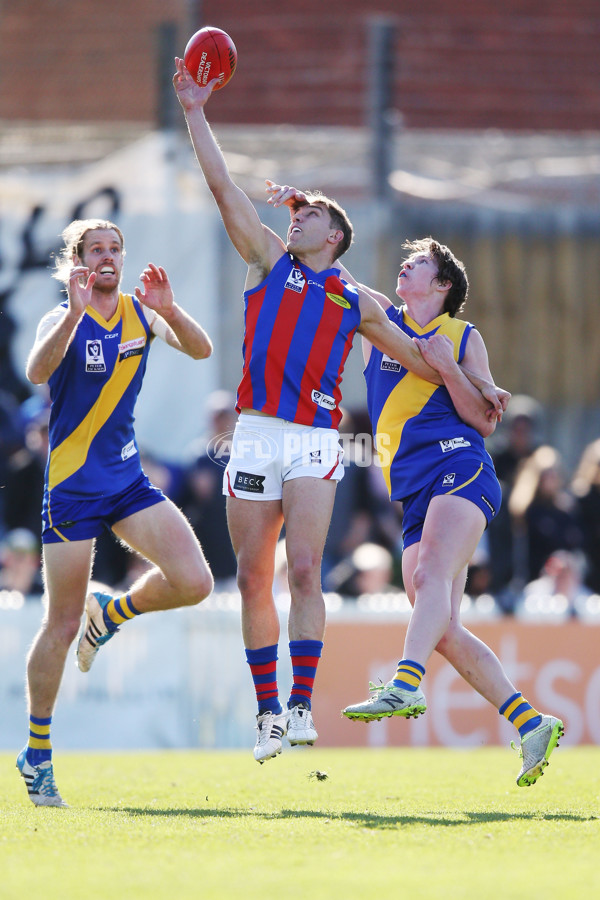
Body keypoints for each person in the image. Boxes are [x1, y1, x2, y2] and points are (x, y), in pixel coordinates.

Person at [172, 62, 508, 764]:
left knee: (304, 570)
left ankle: (300, 706)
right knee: (254, 574)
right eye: (294, 213)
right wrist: (195, 110)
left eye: (310, 215)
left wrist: (477, 386)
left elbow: (421, 356)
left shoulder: (355, 301)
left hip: (316, 438)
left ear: (335, 236)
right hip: (257, 430)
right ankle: (267, 713)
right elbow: (221, 186)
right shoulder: (268, 259)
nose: (293, 219)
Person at [336, 237, 564, 787]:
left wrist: (450, 367)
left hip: (458, 464)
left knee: (426, 575)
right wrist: (305, 215)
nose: (404, 265)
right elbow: (330, 270)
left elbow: (485, 422)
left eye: (418, 263)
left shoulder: (463, 335)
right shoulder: (381, 320)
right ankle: (531, 723)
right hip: (414, 490)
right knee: (438, 623)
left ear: (442, 286)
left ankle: (405, 683)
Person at [16, 219, 214, 807]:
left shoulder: (140, 312)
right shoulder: (63, 318)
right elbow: (36, 372)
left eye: (115, 249)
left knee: (195, 582)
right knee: (59, 623)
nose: (107, 258)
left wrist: (171, 311)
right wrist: (74, 314)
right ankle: (37, 753)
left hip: (126, 481)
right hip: (73, 491)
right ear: (76, 262)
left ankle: (115, 610)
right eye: (96, 250)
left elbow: (201, 349)